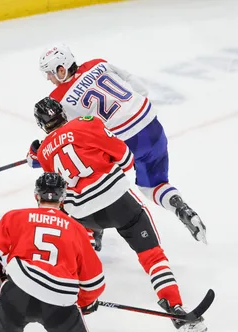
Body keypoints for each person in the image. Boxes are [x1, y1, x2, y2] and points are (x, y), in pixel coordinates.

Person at [30, 97, 207, 332]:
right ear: (61, 112)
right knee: (152, 255)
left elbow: (55, 185)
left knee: (75, 224)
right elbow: (126, 159)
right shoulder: (86, 122)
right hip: (117, 204)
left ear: (42, 124)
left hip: (82, 214)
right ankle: (175, 308)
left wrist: (37, 154)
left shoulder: (44, 151)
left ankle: (82, 264)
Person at [33, 44, 206, 244]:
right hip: (152, 126)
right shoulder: (98, 64)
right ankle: (179, 206)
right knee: (154, 185)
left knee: (83, 175)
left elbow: (68, 139)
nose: (49, 78)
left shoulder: (58, 99)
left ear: (61, 69)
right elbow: (140, 87)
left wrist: (39, 153)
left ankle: (90, 231)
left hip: (125, 141)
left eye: (50, 73)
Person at [0, 172, 105, 332]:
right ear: (63, 197)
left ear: (36, 195)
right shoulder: (77, 229)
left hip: (18, 292)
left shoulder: (15, 217)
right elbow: (94, 283)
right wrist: (83, 302)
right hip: (60, 299)